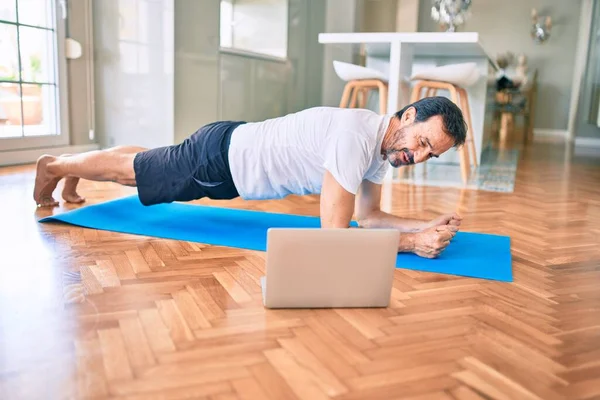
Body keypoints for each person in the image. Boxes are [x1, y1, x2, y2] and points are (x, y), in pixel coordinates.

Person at [34, 96, 466, 259]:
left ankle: (69, 170)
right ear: (408, 116)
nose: (418, 156)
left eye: (431, 154)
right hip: (218, 162)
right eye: (423, 141)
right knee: (132, 173)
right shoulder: (356, 138)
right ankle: (53, 166)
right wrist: (410, 245)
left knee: (144, 162)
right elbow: (335, 234)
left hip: (227, 154)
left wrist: (421, 227)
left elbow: (368, 218)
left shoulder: (380, 147)